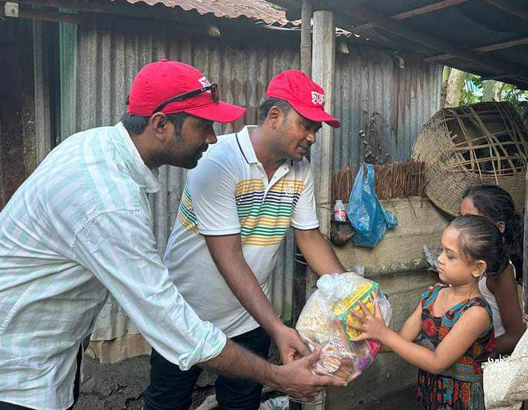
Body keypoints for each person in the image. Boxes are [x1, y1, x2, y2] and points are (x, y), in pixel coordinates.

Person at [0, 60, 343, 410]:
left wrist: (349, 294)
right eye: (203, 125)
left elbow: (310, 235)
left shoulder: (96, 150)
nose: (212, 137)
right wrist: (278, 375)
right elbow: (176, 323)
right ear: (161, 124)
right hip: (18, 374)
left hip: (51, 359)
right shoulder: (111, 202)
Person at [143, 70, 347, 410]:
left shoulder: (300, 171)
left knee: (241, 403)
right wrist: (279, 328)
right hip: (187, 314)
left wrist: (351, 295)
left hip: (249, 318)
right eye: (306, 125)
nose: (312, 137)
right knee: (168, 402)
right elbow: (229, 257)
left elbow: (310, 238)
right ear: (275, 117)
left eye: (316, 129)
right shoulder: (218, 161)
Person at [349, 215, 506, 410]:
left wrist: (382, 333)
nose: (439, 259)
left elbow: (436, 362)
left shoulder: (476, 312)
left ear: (477, 268)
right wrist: (359, 341)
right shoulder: (432, 296)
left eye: (450, 256)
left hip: (462, 402)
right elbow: (402, 339)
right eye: (441, 250)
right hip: (431, 395)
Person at [461, 185, 527, 355]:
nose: (462, 227)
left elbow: (516, 335)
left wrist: (470, 355)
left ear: (499, 227)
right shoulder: (474, 261)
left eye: (471, 220)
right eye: (462, 219)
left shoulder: (500, 272)